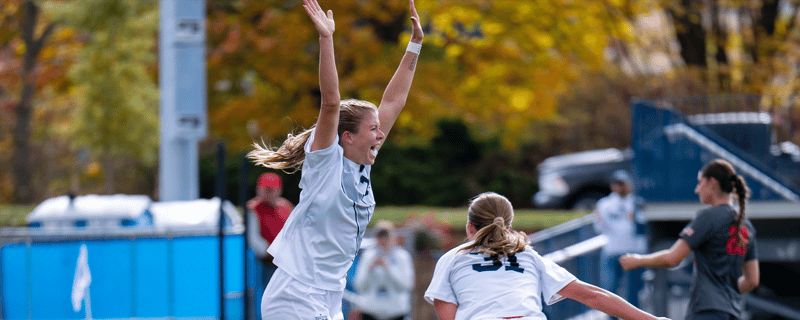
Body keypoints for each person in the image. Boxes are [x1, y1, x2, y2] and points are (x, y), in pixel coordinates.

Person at [247, 0, 423, 318]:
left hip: (329, 293)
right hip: (297, 292)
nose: (380, 134)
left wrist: (415, 44)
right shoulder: (326, 162)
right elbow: (331, 103)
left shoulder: (362, 163)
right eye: (373, 128)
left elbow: (394, 100)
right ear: (347, 137)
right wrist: (326, 38)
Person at [424, 192, 670, 320]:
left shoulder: (453, 258)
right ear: (509, 228)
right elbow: (593, 295)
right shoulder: (528, 256)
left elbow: (446, 311)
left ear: (469, 227)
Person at [620, 159, 759, 320]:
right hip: (733, 313)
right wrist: (726, 293)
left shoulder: (708, 217)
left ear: (712, 183)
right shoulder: (746, 226)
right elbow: (752, 280)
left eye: (700, 183)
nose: (696, 190)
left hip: (707, 312)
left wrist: (638, 260)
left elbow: (672, 258)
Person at [593, 170, 647, 312]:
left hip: (633, 251)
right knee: (610, 289)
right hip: (612, 250)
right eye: (617, 184)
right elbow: (599, 226)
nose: (620, 187)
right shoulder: (604, 204)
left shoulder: (638, 202)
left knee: (634, 291)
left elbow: (643, 227)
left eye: (623, 184)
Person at [352, 221, 414, 320]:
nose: (383, 240)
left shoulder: (402, 256)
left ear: (393, 237)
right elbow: (359, 286)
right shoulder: (368, 256)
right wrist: (369, 270)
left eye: (386, 236)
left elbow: (407, 285)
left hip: (396, 314)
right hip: (371, 313)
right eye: (380, 237)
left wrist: (389, 269)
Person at [246, 172, 295, 285]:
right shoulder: (253, 208)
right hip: (264, 263)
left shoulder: (286, 206)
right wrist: (271, 252)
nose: (268, 193)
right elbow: (253, 239)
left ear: (279, 190)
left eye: (272, 190)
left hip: (288, 262)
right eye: (265, 189)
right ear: (258, 189)